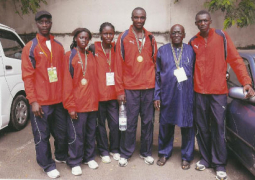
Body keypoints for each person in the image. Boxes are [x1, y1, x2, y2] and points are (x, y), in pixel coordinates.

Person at [189, 10, 255, 180]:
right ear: (196, 23)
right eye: (199, 21)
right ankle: (205, 158)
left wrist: (246, 81)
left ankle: (219, 164)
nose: (202, 23)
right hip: (199, 93)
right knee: (202, 126)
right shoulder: (192, 42)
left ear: (210, 21)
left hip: (218, 92)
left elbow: (235, 60)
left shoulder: (221, 36)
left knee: (218, 126)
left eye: (205, 20)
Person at [21, 11, 68, 179]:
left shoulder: (59, 46)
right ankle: (47, 165)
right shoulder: (30, 47)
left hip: (58, 101)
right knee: (42, 135)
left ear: (51, 23)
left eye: (48, 22)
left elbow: (63, 74)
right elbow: (28, 76)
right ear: (37, 24)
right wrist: (33, 101)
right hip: (41, 102)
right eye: (42, 22)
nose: (45, 24)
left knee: (62, 133)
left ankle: (61, 155)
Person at [115, 7, 157, 167]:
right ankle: (126, 152)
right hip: (130, 89)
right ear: (131, 18)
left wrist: (156, 91)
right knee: (130, 122)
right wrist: (120, 91)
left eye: (142, 18)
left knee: (148, 122)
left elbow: (155, 63)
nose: (139, 20)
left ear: (145, 18)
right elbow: (118, 66)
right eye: (136, 17)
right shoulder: (123, 37)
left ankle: (146, 152)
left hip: (148, 88)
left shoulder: (151, 38)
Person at [154, 24, 195, 169]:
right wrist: (156, 96)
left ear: (184, 35)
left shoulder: (191, 50)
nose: (177, 34)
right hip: (167, 94)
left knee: (188, 126)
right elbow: (157, 75)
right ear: (170, 35)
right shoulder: (162, 50)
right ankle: (164, 153)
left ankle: (187, 156)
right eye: (174, 32)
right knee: (166, 125)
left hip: (186, 95)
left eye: (180, 32)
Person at [63, 28, 99, 175]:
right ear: (76, 39)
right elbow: (66, 83)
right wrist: (70, 106)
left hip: (92, 104)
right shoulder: (69, 55)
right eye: (81, 38)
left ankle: (88, 157)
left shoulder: (91, 56)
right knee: (76, 135)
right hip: (77, 105)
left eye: (86, 38)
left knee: (91, 133)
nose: (83, 40)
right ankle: (74, 161)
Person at [89, 22, 120, 164]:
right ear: (100, 34)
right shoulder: (93, 48)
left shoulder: (117, 48)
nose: (108, 36)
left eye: (111, 33)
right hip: (99, 95)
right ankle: (103, 151)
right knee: (100, 124)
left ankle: (114, 149)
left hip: (114, 95)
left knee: (114, 124)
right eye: (105, 33)